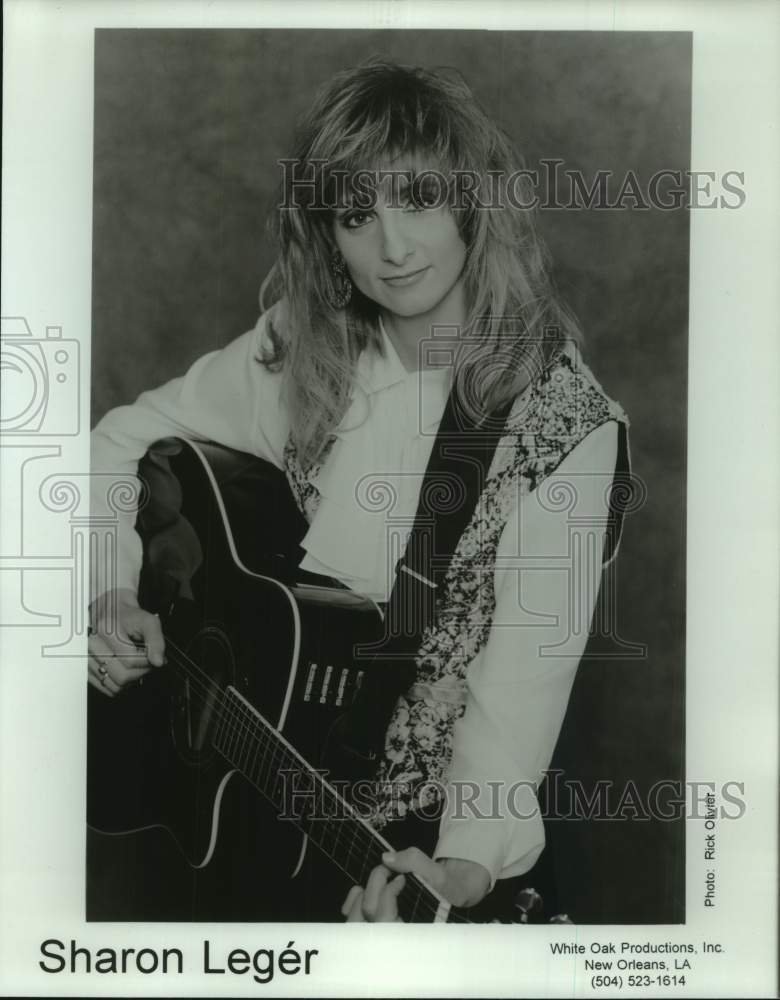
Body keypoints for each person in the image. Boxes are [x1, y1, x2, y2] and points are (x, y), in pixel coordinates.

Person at [88, 58, 629, 922]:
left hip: (423, 847)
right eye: (355, 214)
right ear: (326, 235)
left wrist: (462, 871)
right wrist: (113, 588)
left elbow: (523, 689)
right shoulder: (308, 346)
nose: (393, 247)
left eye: (417, 198)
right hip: (253, 811)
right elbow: (113, 445)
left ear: (472, 199)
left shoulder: (561, 424)